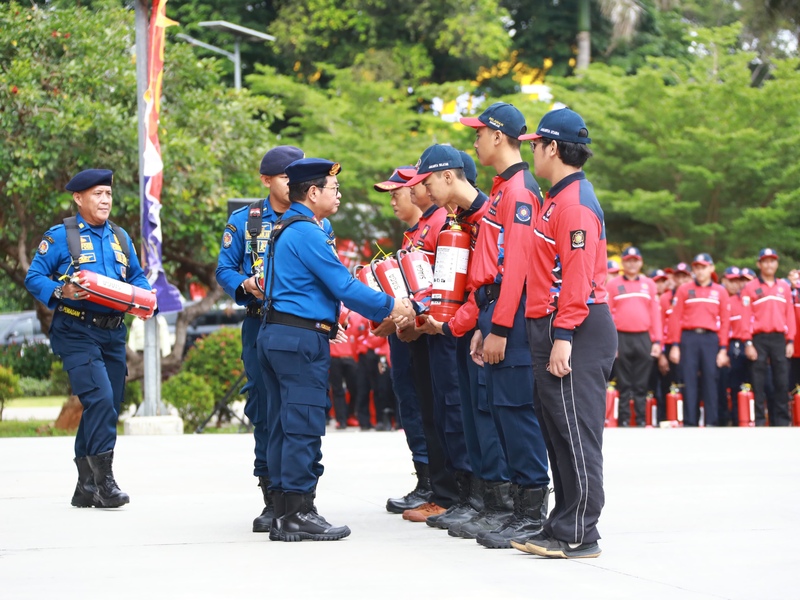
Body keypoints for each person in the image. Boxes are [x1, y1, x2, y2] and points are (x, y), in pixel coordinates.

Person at [257, 158, 416, 542]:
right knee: (302, 425)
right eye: (333, 188)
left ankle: (283, 509)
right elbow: (343, 286)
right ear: (313, 193)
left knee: (282, 424)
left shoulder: (287, 227)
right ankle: (298, 513)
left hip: (280, 334)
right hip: (298, 340)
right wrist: (392, 306)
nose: (338, 194)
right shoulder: (307, 232)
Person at [515, 107, 616, 559]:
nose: (532, 151)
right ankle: (562, 524)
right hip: (556, 325)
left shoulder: (573, 203)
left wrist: (564, 334)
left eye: (535, 144)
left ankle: (580, 530)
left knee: (576, 431)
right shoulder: (555, 199)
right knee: (558, 432)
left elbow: (575, 277)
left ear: (552, 147)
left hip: (576, 326)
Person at [25, 169, 155, 508]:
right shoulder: (61, 237)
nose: (105, 200)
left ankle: (85, 486)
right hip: (75, 330)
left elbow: (137, 278)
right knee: (99, 400)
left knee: (107, 403)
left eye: (108, 195)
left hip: (113, 332)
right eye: (98, 194)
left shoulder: (121, 238)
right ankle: (104, 483)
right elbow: (33, 276)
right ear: (79, 198)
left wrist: (144, 297)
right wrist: (59, 290)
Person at [455, 102, 551, 547]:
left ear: (498, 136)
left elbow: (517, 267)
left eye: (479, 133)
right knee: (500, 410)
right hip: (496, 309)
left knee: (516, 411)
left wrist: (501, 327)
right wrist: (485, 320)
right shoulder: (502, 189)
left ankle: (531, 513)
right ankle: (514, 507)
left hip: (511, 314)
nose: (474, 141)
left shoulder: (519, 191)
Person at [215, 145, 312, 533]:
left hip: (301, 327)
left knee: (299, 408)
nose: (294, 183)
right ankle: (271, 496)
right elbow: (224, 268)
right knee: (264, 408)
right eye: (287, 176)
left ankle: (299, 496)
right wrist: (245, 284)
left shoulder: (312, 216)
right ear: (267, 180)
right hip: (260, 322)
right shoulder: (245, 221)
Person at [372, 167, 433, 513]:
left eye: (398, 192)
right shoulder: (412, 236)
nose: (393, 200)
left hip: (422, 335)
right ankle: (425, 479)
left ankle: (434, 484)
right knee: (410, 406)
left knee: (425, 408)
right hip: (404, 335)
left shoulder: (433, 229)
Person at [668, 253, 730, 426]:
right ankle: (690, 420)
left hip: (711, 339)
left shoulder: (720, 291)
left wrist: (723, 349)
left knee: (711, 378)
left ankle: (711, 420)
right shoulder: (684, 289)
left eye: (704, 267)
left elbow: (725, 321)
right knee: (689, 379)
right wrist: (675, 345)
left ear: (711, 268)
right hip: (689, 338)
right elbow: (675, 318)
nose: (700, 271)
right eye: (697, 267)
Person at [607, 247, 662, 427]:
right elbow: (608, 314)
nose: (632, 263)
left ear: (640, 262)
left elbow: (654, 313)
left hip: (643, 336)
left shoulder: (649, 284)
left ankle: (640, 420)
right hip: (621, 336)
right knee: (623, 381)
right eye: (628, 260)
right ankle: (623, 420)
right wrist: (611, 342)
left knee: (641, 382)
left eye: (635, 260)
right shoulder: (613, 285)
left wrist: (657, 340)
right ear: (623, 262)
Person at [741, 248, 796, 426]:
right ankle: (758, 419)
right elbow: (745, 315)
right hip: (759, 339)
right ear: (759, 264)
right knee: (758, 379)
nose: (769, 264)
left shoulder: (784, 287)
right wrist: (748, 342)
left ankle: (781, 419)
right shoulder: (750, 287)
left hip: (779, 338)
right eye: (765, 261)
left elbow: (790, 316)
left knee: (782, 378)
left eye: (772, 261)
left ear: (777, 264)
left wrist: (791, 340)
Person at [718, 267, 752, 426]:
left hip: (751, 344)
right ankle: (732, 420)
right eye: (730, 281)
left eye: (737, 281)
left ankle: (750, 420)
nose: (735, 284)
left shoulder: (748, 299)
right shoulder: (725, 301)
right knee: (730, 385)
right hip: (730, 345)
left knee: (751, 384)